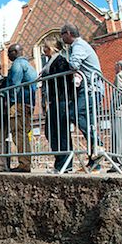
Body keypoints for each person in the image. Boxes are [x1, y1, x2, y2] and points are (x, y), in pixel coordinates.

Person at [60, 23, 103, 168]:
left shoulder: (78, 45)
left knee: (76, 115)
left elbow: (73, 64)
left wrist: (73, 71)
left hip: (90, 88)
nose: (61, 37)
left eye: (62, 34)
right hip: (91, 88)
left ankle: (98, 145)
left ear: (68, 33)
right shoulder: (80, 45)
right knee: (88, 122)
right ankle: (94, 162)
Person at [39, 37, 73, 172]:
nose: (43, 49)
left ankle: (64, 165)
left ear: (52, 47)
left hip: (61, 100)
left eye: (45, 47)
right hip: (53, 101)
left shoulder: (60, 61)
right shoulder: (49, 62)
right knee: (50, 131)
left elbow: (62, 79)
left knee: (61, 132)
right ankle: (62, 162)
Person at [4, 43, 37, 172]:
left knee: (18, 133)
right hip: (29, 103)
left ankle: (24, 164)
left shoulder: (17, 65)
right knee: (23, 133)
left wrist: (10, 102)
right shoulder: (29, 65)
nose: (8, 56)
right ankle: (25, 163)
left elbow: (14, 86)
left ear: (14, 52)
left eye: (9, 53)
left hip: (18, 104)